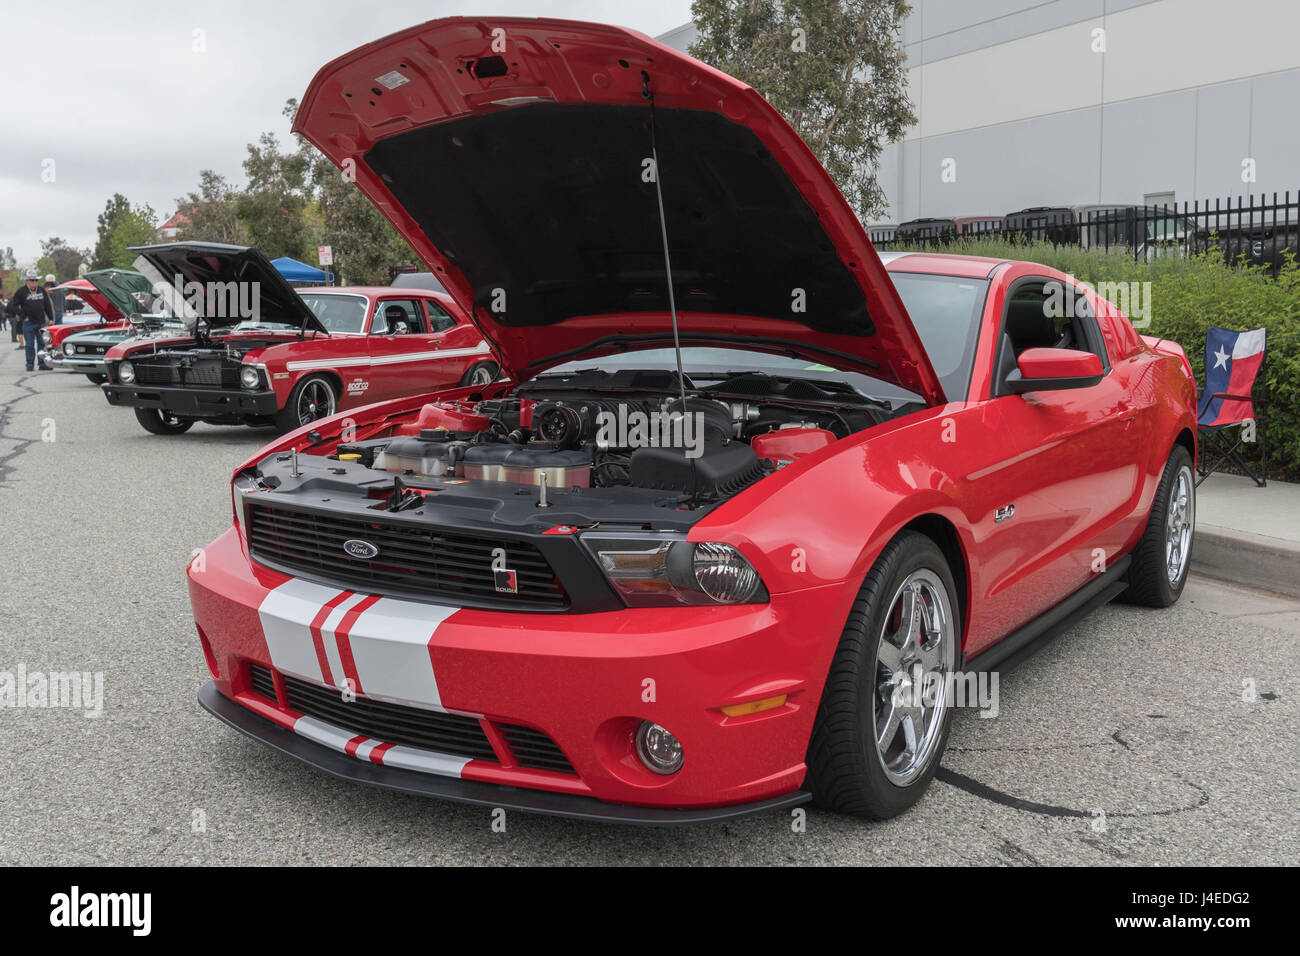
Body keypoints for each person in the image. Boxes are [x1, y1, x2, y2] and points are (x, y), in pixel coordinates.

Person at [7, 269, 54, 370]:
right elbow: (14, 306)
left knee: (42, 344)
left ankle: (42, 364)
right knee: (29, 345)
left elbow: (47, 305)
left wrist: (51, 318)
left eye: (36, 280)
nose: (34, 282)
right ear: (27, 281)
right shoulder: (21, 291)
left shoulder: (41, 290)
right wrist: (23, 316)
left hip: (41, 322)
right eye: (32, 280)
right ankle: (30, 364)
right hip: (28, 323)